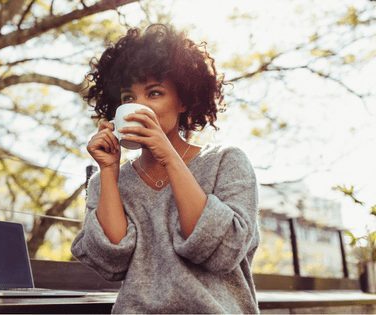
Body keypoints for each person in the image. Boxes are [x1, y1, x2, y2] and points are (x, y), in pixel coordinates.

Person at [71, 24, 260, 314]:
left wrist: (169, 157)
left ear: (184, 100)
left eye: (154, 93)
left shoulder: (226, 162)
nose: (139, 106)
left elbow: (224, 252)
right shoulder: (105, 180)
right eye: (128, 98)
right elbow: (111, 261)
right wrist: (109, 171)